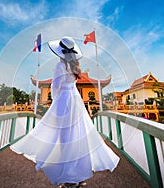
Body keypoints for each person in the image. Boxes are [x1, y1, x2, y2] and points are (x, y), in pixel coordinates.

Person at [11, 36, 120, 188]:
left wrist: (56, 101)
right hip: (76, 100)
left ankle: (69, 178)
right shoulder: (75, 66)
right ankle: (78, 176)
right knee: (78, 136)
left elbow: (55, 86)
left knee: (64, 138)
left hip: (64, 101)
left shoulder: (60, 66)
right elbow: (71, 85)